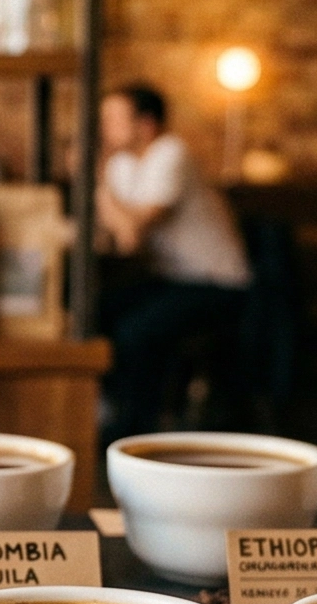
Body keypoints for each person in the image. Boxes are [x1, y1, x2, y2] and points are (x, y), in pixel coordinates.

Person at [94, 80, 250, 440]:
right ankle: (111, 412)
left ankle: (136, 430)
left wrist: (99, 182)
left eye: (114, 118)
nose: (105, 128)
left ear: (146, 124)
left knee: (136, 331)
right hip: (172, 277)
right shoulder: (121, 164)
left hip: (217, 283)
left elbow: (133, 234)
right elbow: (123, 235)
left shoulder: (171, 153)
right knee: (99, 311)